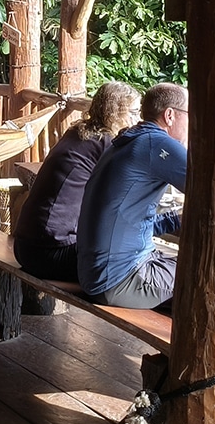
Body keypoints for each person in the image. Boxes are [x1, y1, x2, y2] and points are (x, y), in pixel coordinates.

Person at [75, 82, 189, 310]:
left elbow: (127, 221)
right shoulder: (158, 143)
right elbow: (214, 194)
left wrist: (175, 220)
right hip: (120, 280)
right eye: (189, 114)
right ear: (170, 115)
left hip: (97, 274)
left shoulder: (128, 140)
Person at [12, 81, 140, 282]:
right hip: (49, 253)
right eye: (135, 112)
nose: (139, 119)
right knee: (130, 266)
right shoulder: (107, 145)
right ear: (116, 113)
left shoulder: (77, 132)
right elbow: (124, 197)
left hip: (24, 247)